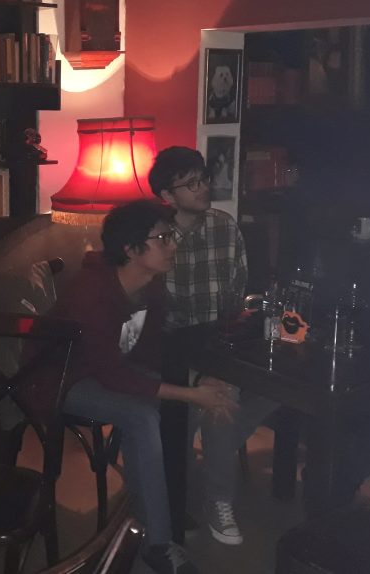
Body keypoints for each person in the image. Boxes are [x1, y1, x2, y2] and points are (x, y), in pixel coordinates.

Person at [51, 199, 232, 574]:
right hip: (63, 379)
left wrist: (196, 384)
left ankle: (158, 506)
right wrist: (189, 393)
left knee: (174, 404)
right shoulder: (91, 291)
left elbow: (149, 356)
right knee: (142, 416)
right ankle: (158, 544)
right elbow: (111, 374)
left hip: (107, 370)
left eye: (171, 236)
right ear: (132, 249)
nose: (173, 245)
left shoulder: (150, 286)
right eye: (163, 238)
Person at [149, 146, 276, 546]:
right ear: (167, 196)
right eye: (192, 184)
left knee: (267, 389)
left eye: (203, 179)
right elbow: (153, 314)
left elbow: (239, 291)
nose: (204, 188)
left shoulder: (225, 226)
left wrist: (225, 348)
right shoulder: (156, 239)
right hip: (172, 352)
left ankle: (210, 494)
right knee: (214, 404)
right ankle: (206, 497)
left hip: (222, 345)